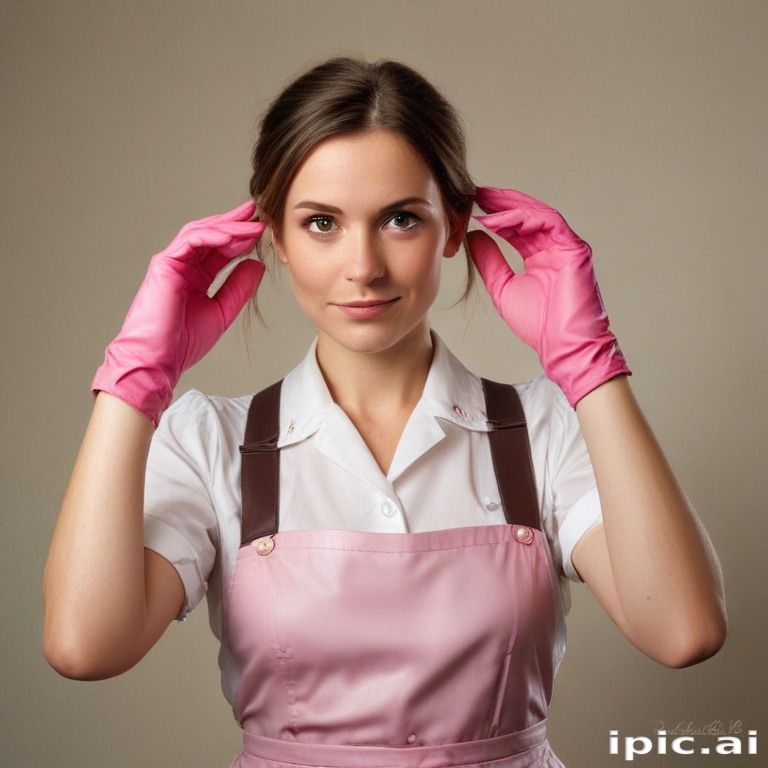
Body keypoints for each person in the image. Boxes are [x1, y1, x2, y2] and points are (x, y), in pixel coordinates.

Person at [43, 57, 726, 767]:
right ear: (274, 236)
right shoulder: (209, 439)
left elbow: (683, 630)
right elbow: (84, 645)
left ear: (454, 228)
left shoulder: (546, 429)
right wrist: (134, 382)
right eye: (321, 223)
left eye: (401, 219)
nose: (363, 265)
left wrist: (591, 367)